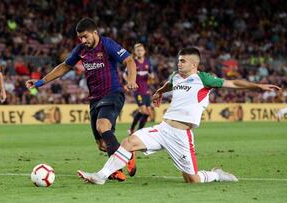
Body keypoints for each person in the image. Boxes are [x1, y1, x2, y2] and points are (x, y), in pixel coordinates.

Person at [77, 47, 281, 184]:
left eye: (182, 61)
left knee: (192, 179)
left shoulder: (203, 78)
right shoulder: (176, 76)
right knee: (129, 142)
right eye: (178, 60)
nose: (178, 63)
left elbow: (234, 83)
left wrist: (258, 86)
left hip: (182, 135)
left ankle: (215, 175)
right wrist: (159, 92)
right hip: (163, 128)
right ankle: (101, 176)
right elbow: (170, 84)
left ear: (194, 64)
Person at [26, 18, 138, 181]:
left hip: (112, 93)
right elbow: (64, 66)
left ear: (95, 32)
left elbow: (129, 60)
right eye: (80, 38)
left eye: (86, 36)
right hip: (94, 98)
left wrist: (132, 80)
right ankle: (127, 153)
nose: (83, 40)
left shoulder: (107, 44)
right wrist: (40, 82)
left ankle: (114, 169)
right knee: (101, 144)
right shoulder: (81, 50)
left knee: (102, 126)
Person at [124, 43, 154, 135]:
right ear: (135, 52)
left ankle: (138, 131)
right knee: (143, 110)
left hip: (146, 90)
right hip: (138, 90)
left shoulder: (147, 62)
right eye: (138, 50)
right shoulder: (132, 62)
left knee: (148, 112)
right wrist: (130, 82)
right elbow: (125, 74)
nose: (140, 52)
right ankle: (133, 129)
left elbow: (152, 75)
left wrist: (151, 77)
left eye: (141, 50)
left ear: (144, 51)